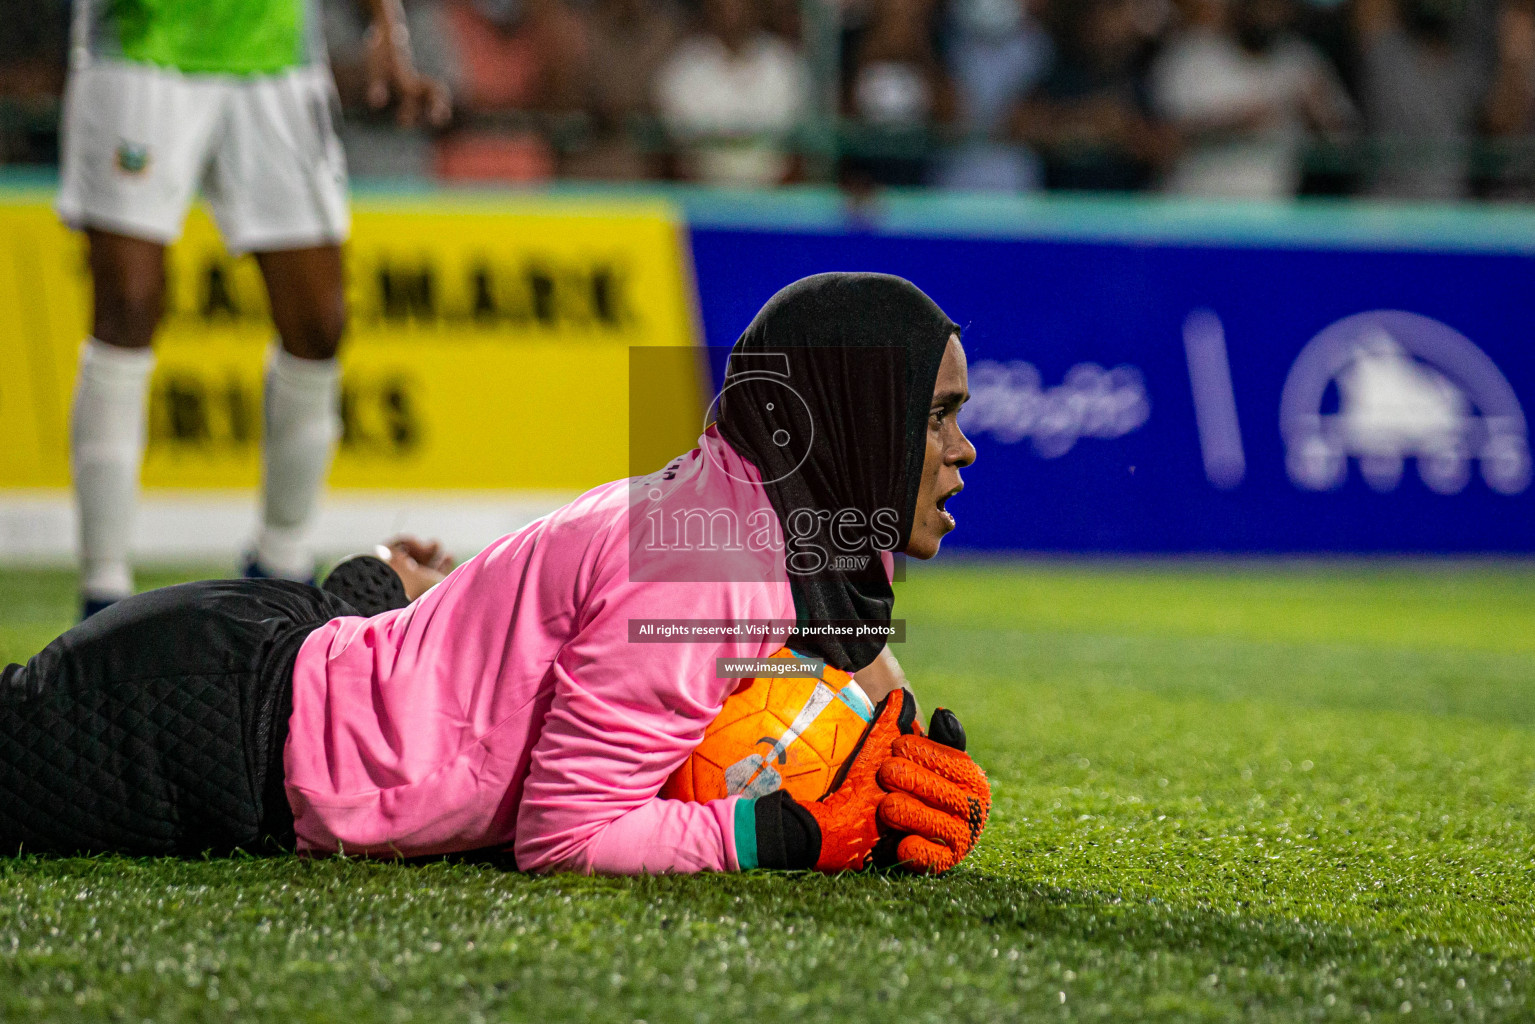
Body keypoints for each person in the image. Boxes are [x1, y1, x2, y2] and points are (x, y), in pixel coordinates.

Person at [1, 273, 990, 877]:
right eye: (936, 414)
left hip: (282, 652)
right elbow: (566, 834)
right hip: (217, 730)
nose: (962, 448)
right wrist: (786, 834)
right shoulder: (707, 567)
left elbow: (851, 671)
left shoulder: (770, 505)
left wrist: (896, 760)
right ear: (862, 417)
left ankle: (395, 578)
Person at [57, 0, 451, 619]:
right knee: (125, 312)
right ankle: (102, 589)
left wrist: (385, 29)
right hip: (141, 48)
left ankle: (281, 565)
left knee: (319, 325)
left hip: (277, 60)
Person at [1151, 0, 1354, 199]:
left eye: (1275, 6)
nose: (1266, 13)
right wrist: (1236, 122)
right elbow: (1160, 142)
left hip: (1269, 209)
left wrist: (1317, 115)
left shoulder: (1301, 63)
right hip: (1193, 206)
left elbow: (1348, 145)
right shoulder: (1191, 55)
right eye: (1257, 5)